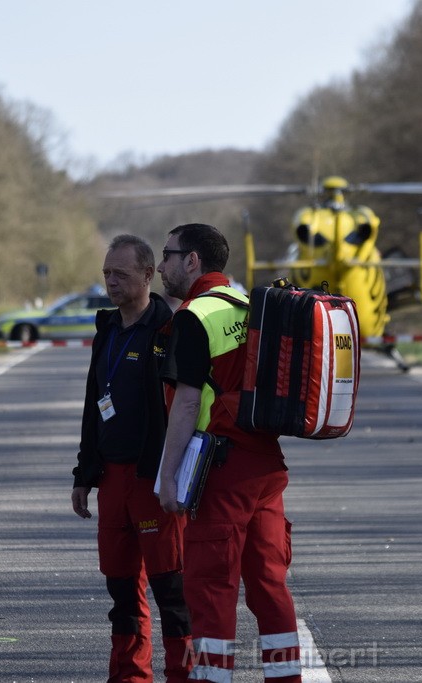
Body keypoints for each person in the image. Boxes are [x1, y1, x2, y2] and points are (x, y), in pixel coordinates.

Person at [157, 223, 302, 683]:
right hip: (266, 466)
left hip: (221, 470)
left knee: (212, 589)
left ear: (193, 260)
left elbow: (184, 402)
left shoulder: (195, 316)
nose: (161, 266)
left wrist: (168, 475)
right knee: (270, 585)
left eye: (167, 255)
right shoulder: (250, 307)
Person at [71, 234, 193, 682]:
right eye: (106, 272)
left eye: (120, 273)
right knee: (121, 593)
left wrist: (172, 476)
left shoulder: (172, 328)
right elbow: (92, 405)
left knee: (171, 591)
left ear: (147, 275)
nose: (111, 281)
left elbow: (186, 405)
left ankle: (184, 675)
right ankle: (128, 676)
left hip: (155, 481)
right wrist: (84, 474)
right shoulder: (106, 329)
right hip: (112, 481)